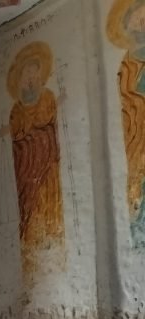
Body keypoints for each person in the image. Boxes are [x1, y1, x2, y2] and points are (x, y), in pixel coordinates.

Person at [0, 42, 65, 275]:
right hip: (25, 168)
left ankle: (52, 249)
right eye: (27, 75)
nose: (31, 79)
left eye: (35, 74)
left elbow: (47, 122)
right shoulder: (16, 108)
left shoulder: (48, 97)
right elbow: (17, 134)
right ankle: (29, 253)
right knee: (27, 207)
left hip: (48, 166)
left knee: (48, 204)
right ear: (19, 79)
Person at [107, 0, 145, 246]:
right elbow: (128, 97)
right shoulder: (128, 63)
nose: (142, 23)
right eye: (138, 20)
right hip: (140, 133)